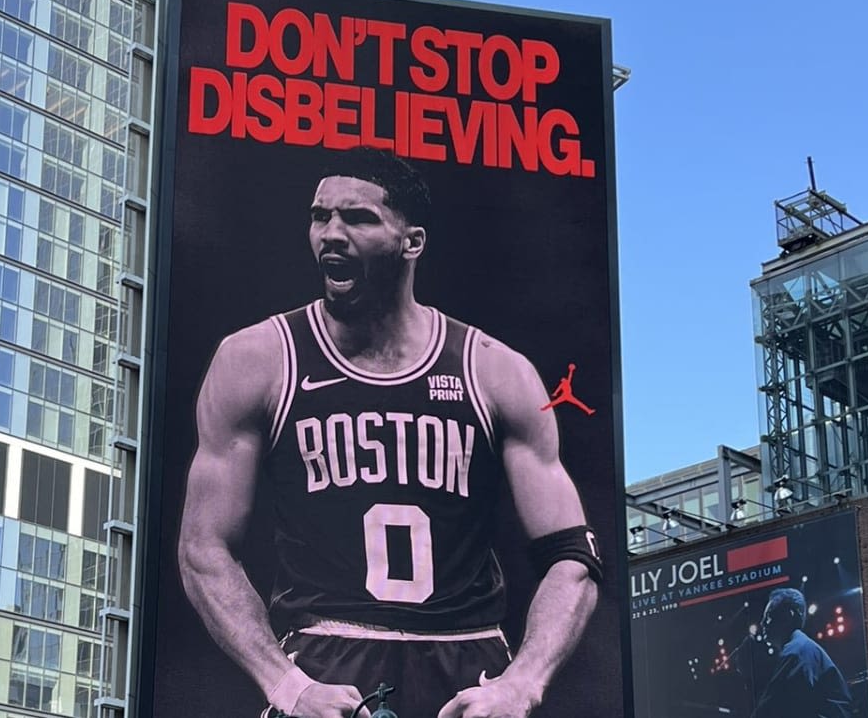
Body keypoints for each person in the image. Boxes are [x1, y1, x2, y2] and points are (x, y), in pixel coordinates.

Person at [178, 146, 602, 718]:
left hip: (469, 668)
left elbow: (573, 554)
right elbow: (203, 546)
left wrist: (522, 683)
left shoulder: (494, 370)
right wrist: (285, 684)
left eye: (357, 218)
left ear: (413, 241)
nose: (331, 233)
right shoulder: (257, 358)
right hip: (324, 664)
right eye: (319, 216)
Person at [751, 589, 853, 718]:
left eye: (768, 616)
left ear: (789, 615)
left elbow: (771, 705)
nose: (762, 623)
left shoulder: (797, 650)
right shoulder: (802, 647)